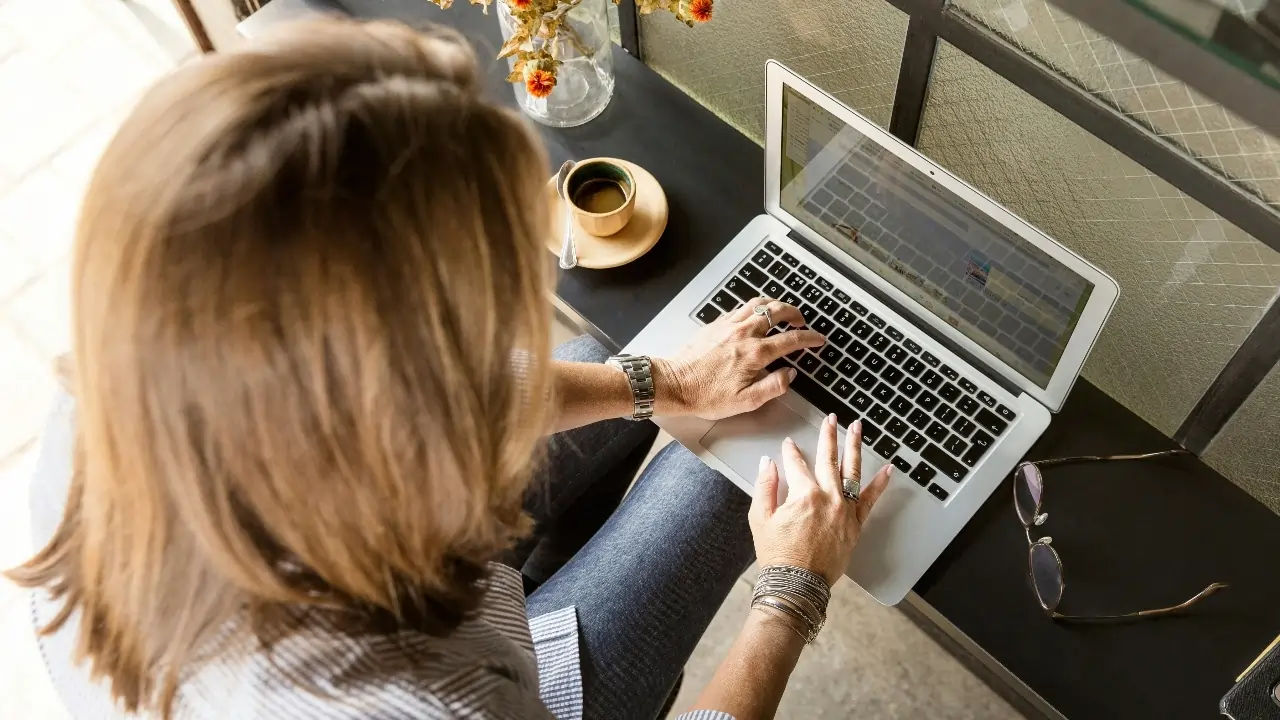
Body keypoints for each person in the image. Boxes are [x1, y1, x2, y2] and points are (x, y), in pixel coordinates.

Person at [8, 17, 893, 720]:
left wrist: (664, 381)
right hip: (503, 688)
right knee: (732, 480)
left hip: (410, 589)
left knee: (608, 368)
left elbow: (463, 390)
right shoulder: (421, 706)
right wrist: (791, 596)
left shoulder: (128, 365)